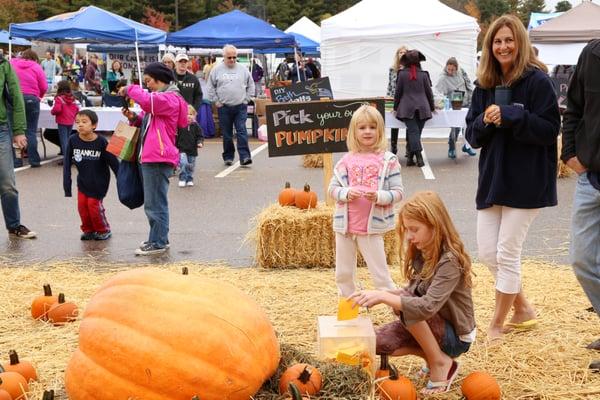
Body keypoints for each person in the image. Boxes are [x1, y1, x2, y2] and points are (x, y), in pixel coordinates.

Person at [465, 14, 560, 343]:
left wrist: (513, 114)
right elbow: (471, 137)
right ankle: (524, 309)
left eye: (508, 40)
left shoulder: (538, 81)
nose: (503, 46)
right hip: (493, 179)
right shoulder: (484, 85)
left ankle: (496, 324)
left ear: (519, 43)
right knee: (488, 253)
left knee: (507, 253)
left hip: (527, 179)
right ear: (489, 47)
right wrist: (486, 121)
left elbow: (550, 131)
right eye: (497, 41)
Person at [350, 191, 475, 395]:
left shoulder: (449, 261)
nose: (409, 236)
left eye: (414, 229)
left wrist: (385, 297)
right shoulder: (423, 252)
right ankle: (436, 357)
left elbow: (426, 306)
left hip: (455, 337)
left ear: (435, 226)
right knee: (376, 342)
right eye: (407, 230)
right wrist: (376, 293)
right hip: (430, 326)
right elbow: (409, 294)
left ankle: (439, 363)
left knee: (405, 303)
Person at [328, 104, 403, 298]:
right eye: (362, 128)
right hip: (345, 226)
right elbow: (332, 189)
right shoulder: (346, 160)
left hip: (370, 228)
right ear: (354, 132)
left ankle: (397, 309)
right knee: (343, 274)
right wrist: (345, 193)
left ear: (380, 130)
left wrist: (380, 197)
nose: (367, 131)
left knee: (380, 274)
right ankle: (348, 308)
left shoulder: (388, 160)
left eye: (372, 127)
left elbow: (398, 192)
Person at [119, 62, 188, 255]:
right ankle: (157, 238)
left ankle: (158, 242)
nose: (147, 85)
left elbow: (147, 101)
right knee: (154, 201)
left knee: (155, 203)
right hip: (153, 155)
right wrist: (134, 118)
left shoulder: (169, 99)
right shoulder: (164, 99)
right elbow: (148, 116)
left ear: (160, 80)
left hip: (158, 156)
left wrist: (129, 89)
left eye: (149, 81)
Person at [561, 39, 600, 371]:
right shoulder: (592, 54)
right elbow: (572, 109)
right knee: (583, 260)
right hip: (591, 178)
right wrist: (570, 153)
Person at [63, 110, 119, 241]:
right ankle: (88, 230)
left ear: (94, 125)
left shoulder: (101, 142)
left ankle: (103, 229)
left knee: (93, 206)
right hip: (82, 181)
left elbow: (114, 163)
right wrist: (67, 185)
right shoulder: (73, 140)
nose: (80, 125)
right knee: (82, 206)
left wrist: (122, 180)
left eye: (84, 122)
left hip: (99, 182)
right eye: (77, 122)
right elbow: (66, 163)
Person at [0, 52, 36, 238]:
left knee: (7, 182)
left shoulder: (3, 64)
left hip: (1, 130)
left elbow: (16, 96)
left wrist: (19, 130)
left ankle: (14, 225)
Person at [207, 44, 254, 167]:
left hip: (240, 106)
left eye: (234, 57)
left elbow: (251, 85)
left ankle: (245, 156)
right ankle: (228, 156)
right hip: (224, 107)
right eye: (229, 57)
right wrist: (216, 101)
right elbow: (210, 86)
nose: (232, 60)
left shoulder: (243, 69)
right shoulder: (216, 70)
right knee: (227, 134)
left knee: (241, 131)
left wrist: (246, 99)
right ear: (224, 57)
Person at [393, 50, 434, 167]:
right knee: (415, 132)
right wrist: (431, 107)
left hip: (406, 107)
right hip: (423, 107)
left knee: (413, 132)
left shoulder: (401, 74)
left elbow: (398, 93)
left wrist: (396, 107)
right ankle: (418, 156)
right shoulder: (424, 74)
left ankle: (411, 157)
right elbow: (429, 93)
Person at [10, 49, 47, 168]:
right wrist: (38, 96)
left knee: (13, 130)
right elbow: (44, 86)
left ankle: (15, 161)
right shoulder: (36, 67)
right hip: (31, 99)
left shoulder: (12, 63)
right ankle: (34, 160)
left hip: (14, 98)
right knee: (31, 131)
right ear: (35, 59)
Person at [435, 57, 477, 159]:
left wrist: (472, 98)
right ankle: (452, 148)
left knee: (468, 126)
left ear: (456, 68)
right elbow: (438, 93)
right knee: (456, 127)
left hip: (466, 102)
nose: (450, 71)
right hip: (455, 105)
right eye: (448, 69)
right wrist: (442, 102)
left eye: (452, 69)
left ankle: (466, 146)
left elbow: (468, 84)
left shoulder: (461, 71)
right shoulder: (443, 78)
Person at [386, 45, 407, 156]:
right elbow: (390, 85)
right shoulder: (392, 69)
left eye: (404, 52)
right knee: (394, 123)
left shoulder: (410, 68)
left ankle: (409, 148)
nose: (402, 54)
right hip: (395, 99)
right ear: (397, 55)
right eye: (400, 52)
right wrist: (388, 99)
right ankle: (393, 146)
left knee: (409, 123)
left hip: (407, 100)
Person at [50, 80, 79, 161]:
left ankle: (67, 158)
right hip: (70, 121)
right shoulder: (73, 98)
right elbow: (77, 109)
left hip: (62, 121)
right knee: (68, 138)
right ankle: (70, 155)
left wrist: (52, 112)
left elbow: (57, 109)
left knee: (64, 140)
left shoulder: (59, 98)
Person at [176, 104, 204, 188]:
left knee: (191, 166)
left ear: (194, 116)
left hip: (192, 150)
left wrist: (200, 142)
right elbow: (175, 136)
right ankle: (182, 178)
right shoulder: (180, 125)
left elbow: (200, 136)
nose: (189, 116)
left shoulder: (196, 126)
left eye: (191, 114)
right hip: (182, 149)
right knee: (183, 163)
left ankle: (189, 179)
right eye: (186, 114)